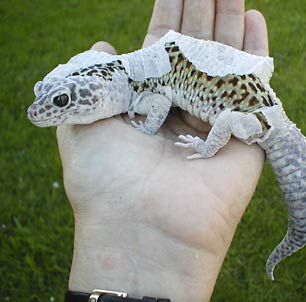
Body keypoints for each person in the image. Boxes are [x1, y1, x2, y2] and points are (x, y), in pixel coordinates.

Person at [57, 0, 269, 300]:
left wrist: (150, 129)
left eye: (62, 102)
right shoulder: (132, 87)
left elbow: (158, 103)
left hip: (233, 114)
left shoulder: (138, 91)